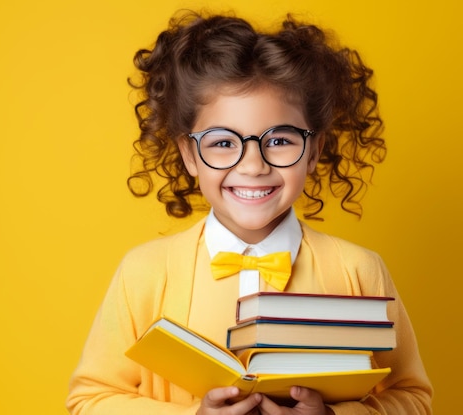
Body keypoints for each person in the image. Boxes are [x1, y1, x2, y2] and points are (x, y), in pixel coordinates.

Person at [66, 9, 433, 415]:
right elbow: (90, 399)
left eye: (279, 141)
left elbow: (413, 397)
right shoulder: (144, 273)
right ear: (189, 154)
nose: (253, 165)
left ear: (313, 150)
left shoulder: (360, 271)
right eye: (223, 143)